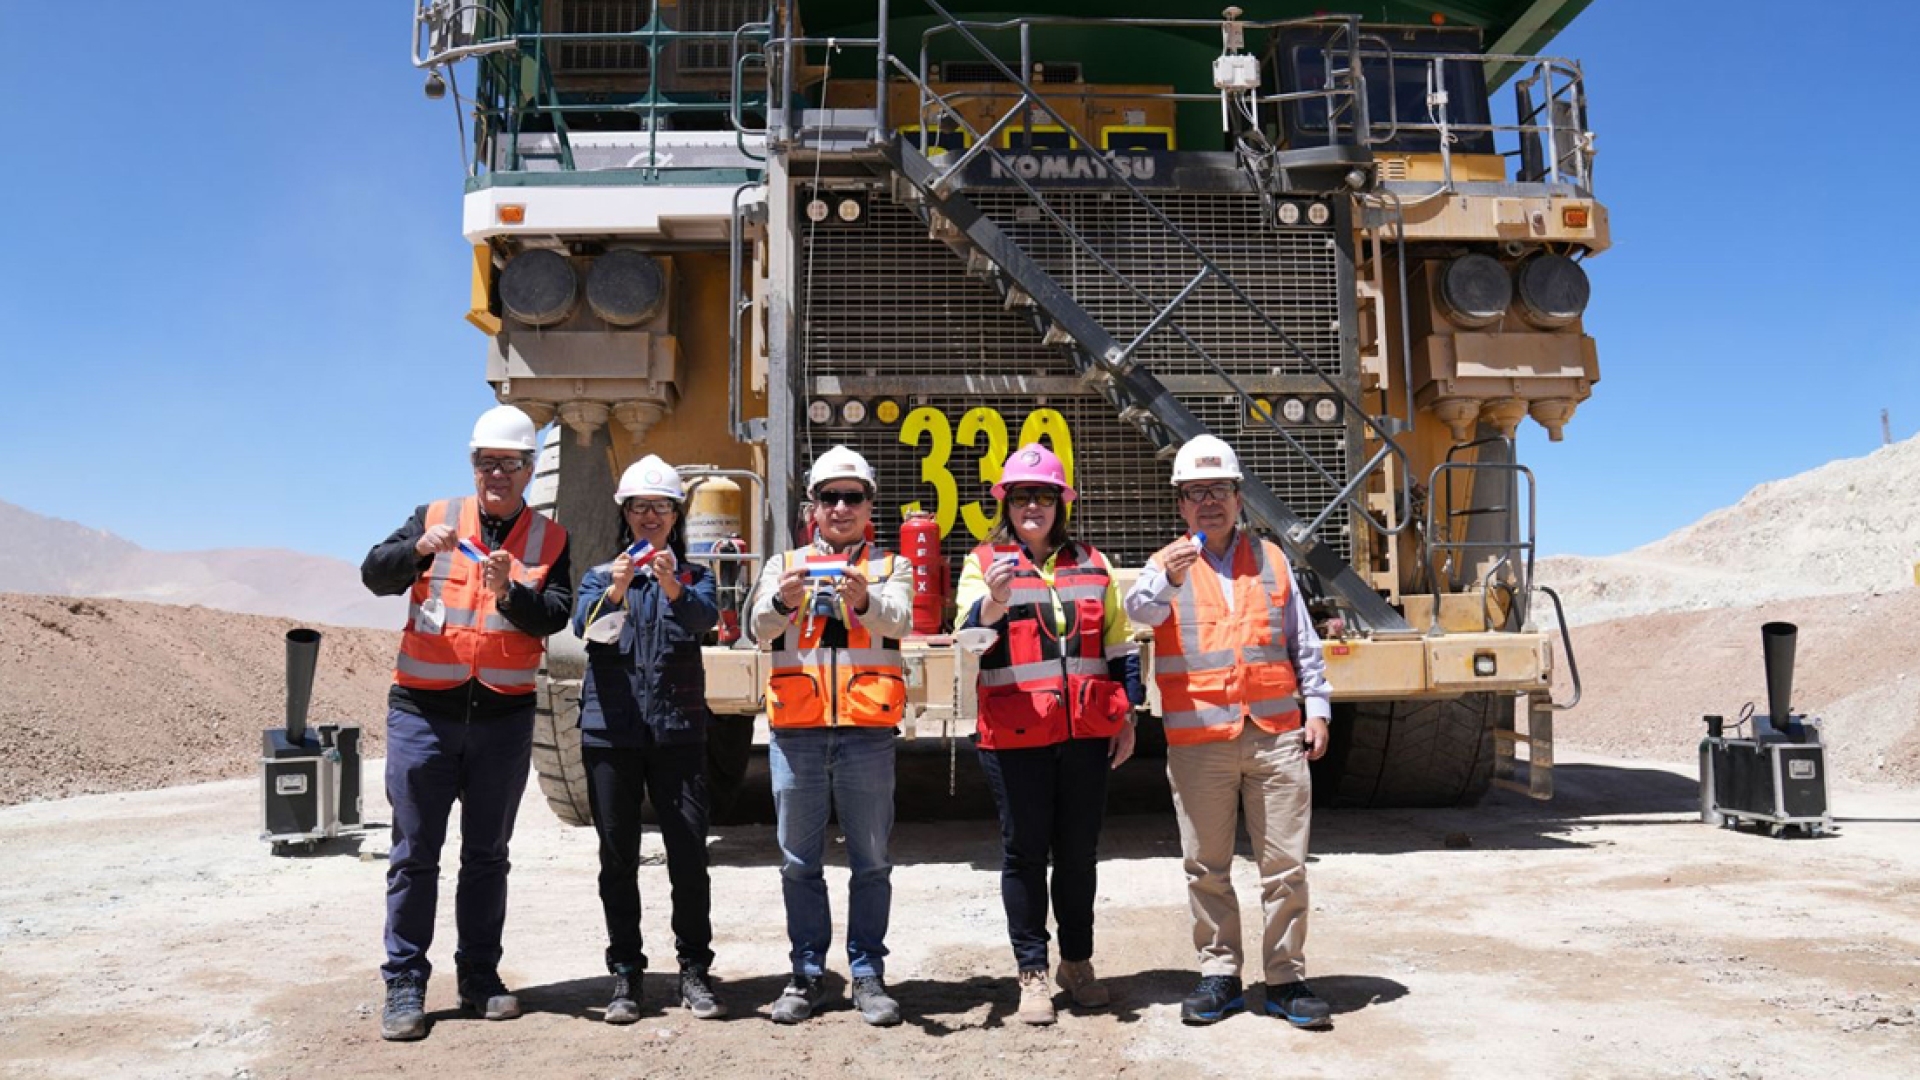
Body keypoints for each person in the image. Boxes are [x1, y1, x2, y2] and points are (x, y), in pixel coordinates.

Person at [359, 405, 573, 1042]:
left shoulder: (548, 540)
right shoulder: (434, 519)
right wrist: (416, 551)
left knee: (486, 857)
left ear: (531, 470)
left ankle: (480, 977)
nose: (497, 474)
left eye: (510, 464)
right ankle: (404, 982)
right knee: (414, 853)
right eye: (487, 462)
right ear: (472, 465)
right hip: (425, 711)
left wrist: (512, 592)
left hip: (502, 718)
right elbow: (374, 573)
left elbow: (553, 617)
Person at [1122, 434, 1335, 1030]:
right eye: (1195, 493)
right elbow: (1138, 612)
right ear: (1181, 505)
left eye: (1219, 490)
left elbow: (1302, 644)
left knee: (1286, 867)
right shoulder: (1164, 566)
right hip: (1200, 744)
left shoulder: (1271, 560)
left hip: (1274, 736)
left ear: (1239, 498)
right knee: (1206, 867)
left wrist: (1316, 708)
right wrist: (1164, 577)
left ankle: (1287, 979)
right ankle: (1219, 973)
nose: (1208, 502)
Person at [953, 443, 1143, 1025]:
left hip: (1086, 731)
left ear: (1062, 503)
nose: (1030, 505)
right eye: (1019, 496)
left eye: (1042, 495)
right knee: (1025, 854)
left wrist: (1128, 714)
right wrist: (994, 601)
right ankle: (1032, 972)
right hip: (1014, 735)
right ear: (1005, 505)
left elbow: (1120, 645)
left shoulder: (1093, 562)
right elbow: (966, 641)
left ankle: (1077, 963)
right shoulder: (982, 563)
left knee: (1080, 856)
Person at [746, 445, 914, 1026]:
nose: (841, 507)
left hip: (867, 732)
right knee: (799, 863)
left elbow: (900, 620)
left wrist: (862, 599)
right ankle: (809, 973)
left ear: (870, 504)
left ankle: (866, 974)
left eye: (853, 496)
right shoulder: (783, 563)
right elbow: (756, 629)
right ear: (812, 506)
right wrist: (781, 599)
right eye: (829, 496)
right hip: (798, 732)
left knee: (871, 861)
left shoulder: (891, 566)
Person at [572, 455, 725, 1023]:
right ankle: (627, 975)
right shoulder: (598, 576)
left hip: (678, 732)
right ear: (626, 514)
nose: (650, 515)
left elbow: (703, 621)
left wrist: (670, 582)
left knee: (688, 854)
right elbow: (584, 631)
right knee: (618, 858)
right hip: (611, 734)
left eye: (661, 506)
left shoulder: (695, 574)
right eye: (640, 506)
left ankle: (694, 970)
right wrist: (614, 592)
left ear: (676, 514)